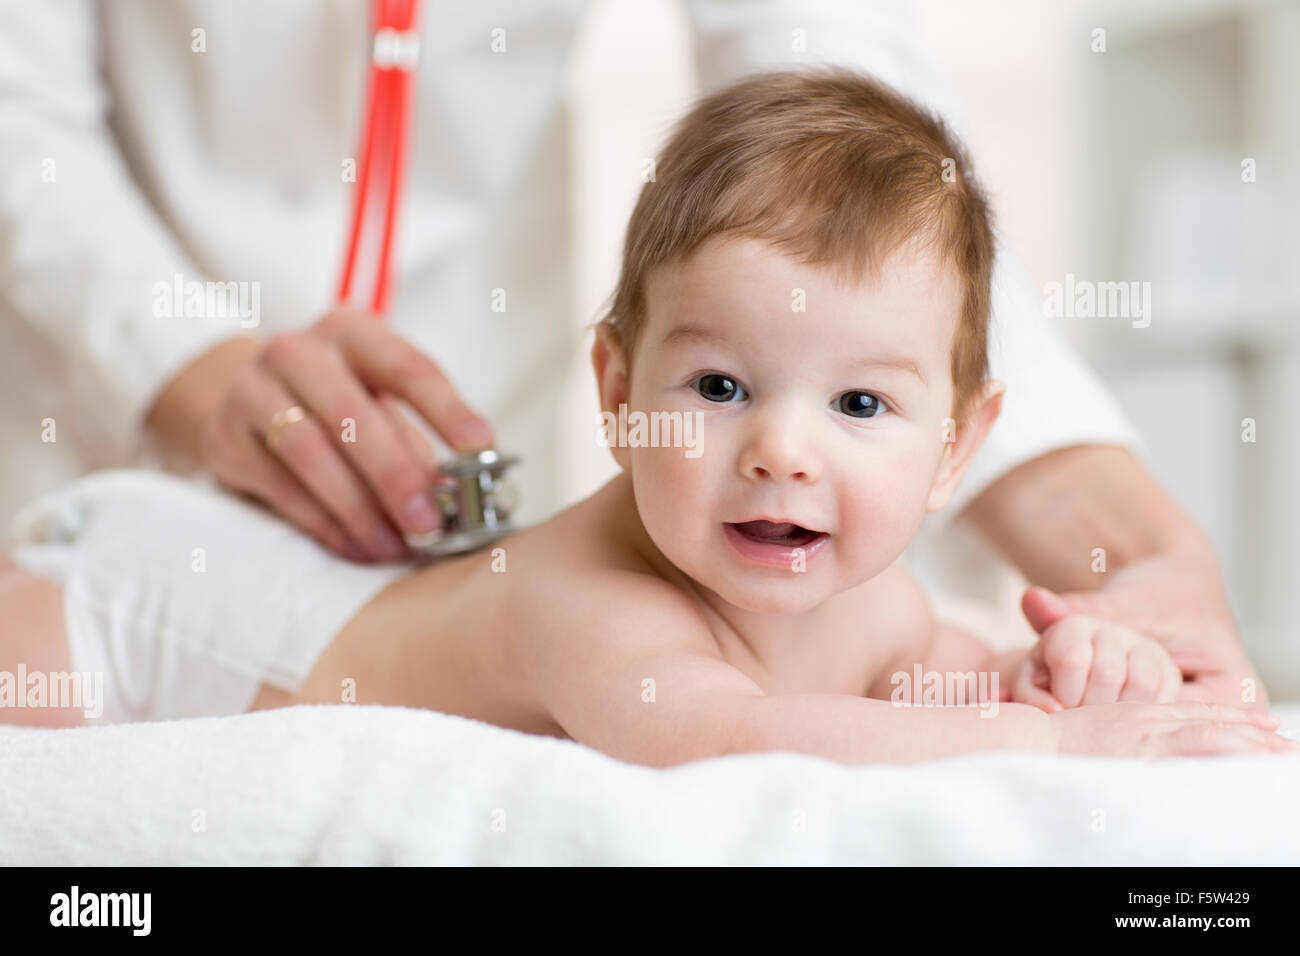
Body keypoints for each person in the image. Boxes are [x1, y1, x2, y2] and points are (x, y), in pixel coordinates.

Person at [2, 69, 1288, 768]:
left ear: (959, 443)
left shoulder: (864, 598)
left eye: (858, 402)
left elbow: (933, 684)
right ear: (615, 394)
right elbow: (732, 734)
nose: (782, 449)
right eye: (718, 388)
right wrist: (1061, 749)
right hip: (171, 610)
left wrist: (1064, 673)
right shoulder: (594, 600)